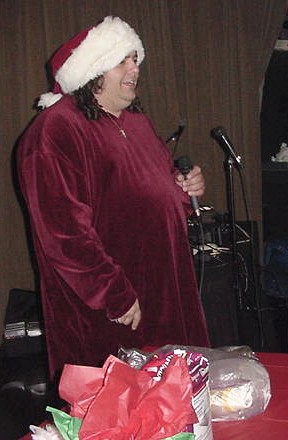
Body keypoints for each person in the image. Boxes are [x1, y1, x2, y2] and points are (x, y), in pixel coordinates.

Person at [17, 16, 210, 381]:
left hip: (164, 291)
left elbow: (150, 190)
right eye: (123, 60)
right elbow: (63, 232)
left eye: (135, 59)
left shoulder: (135, 121)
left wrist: (184, 189)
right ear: (94, 69)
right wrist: (113, 293)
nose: (135, 68)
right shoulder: (57, 129)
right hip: (110, 311)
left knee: (173, 399)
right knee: (118, 404)